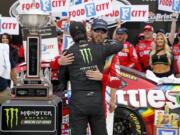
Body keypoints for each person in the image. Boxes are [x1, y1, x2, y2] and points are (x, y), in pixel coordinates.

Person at [58, 21, 123, 135]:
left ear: (72, 35)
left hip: (78, 101)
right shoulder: (100, 47)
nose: (99, 34)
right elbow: (119, 45)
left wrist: (61, 64)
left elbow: (62, 83)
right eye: (97, 31)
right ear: (87, 32)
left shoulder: (68, 53)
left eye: (103, 32)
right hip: (97, 101)